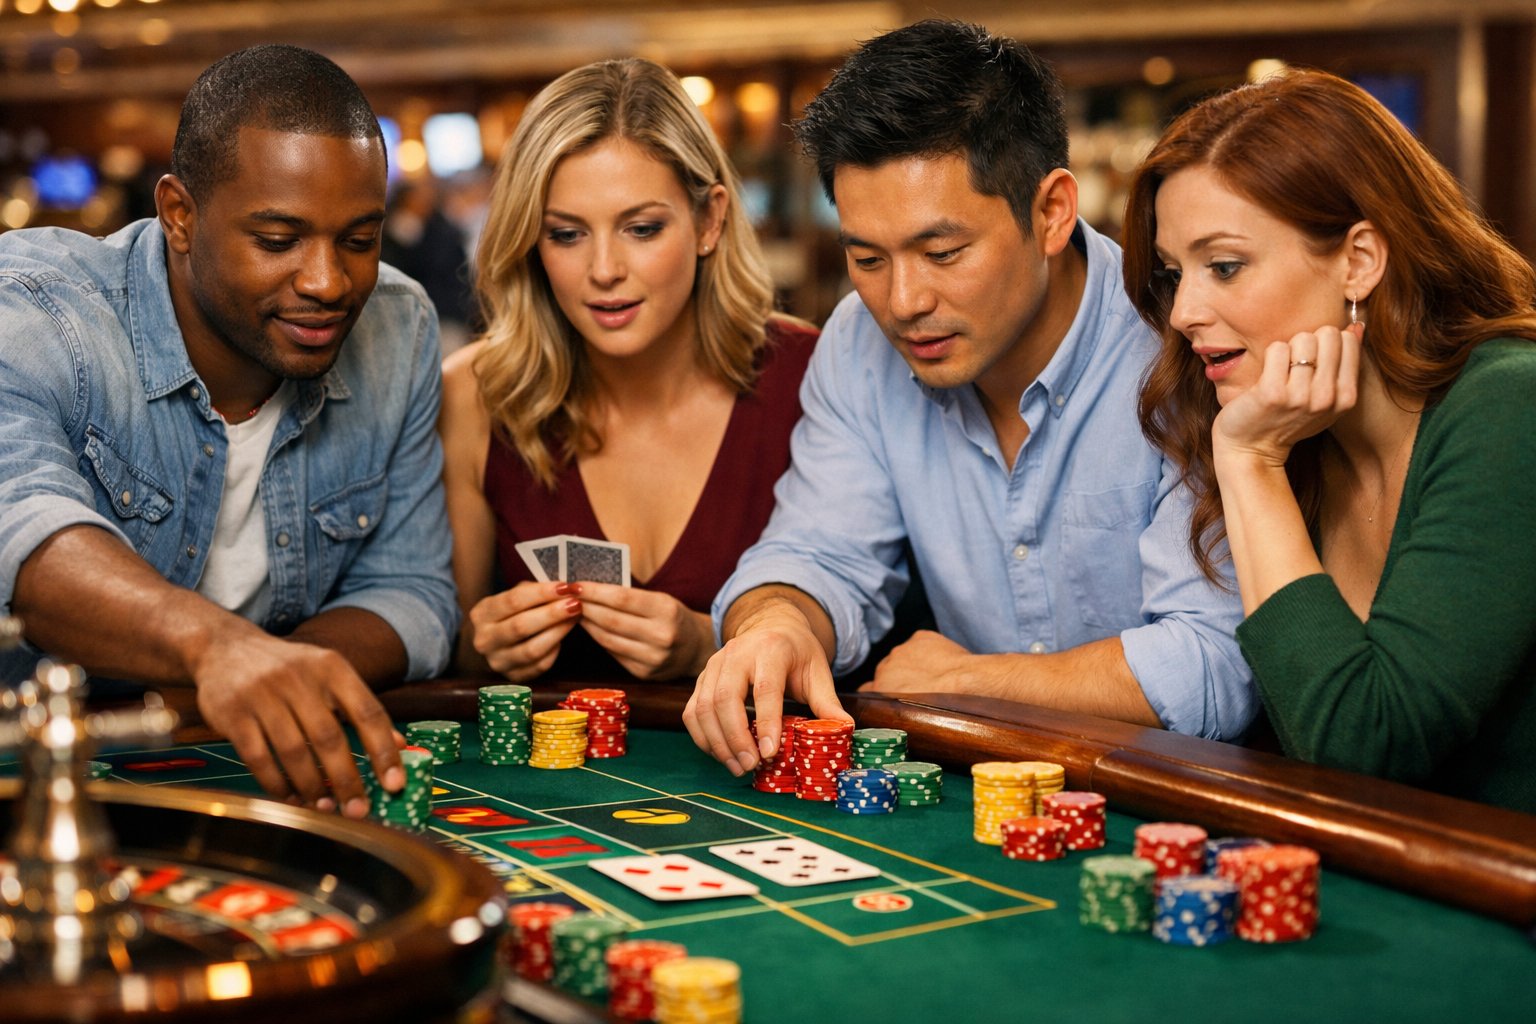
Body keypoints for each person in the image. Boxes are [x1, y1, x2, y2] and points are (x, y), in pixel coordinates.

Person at [684, 19, 1254, 776]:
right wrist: (774, 624)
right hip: (982, 788)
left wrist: (967, 682)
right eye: (867, 257)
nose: (904, 300)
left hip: (1186, 796)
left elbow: (1216, 666)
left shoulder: (1186, 341)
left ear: (1050, 212)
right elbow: (820, 552)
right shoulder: (859, 341)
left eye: (942, 252)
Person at [0, 45, 458, 816]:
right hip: (33, 777)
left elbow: (412, 591)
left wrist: (274, 680)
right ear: (179, 214)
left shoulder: (399, 325)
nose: (327, 282)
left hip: (231, 779)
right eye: (278, 241)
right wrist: (218, 650)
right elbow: (25, 539)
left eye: (359, 240)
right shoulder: (36, 309)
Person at [1123, 69, 1536, 813]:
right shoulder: (1302, 436)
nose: (1183, 311)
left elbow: (1364, 749)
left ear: (1359, 261)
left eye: (1224, 267)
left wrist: (1248, 463)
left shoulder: (1512, 402)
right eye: (1174, 273)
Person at [439, 58, 816, 685]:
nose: (605, 270)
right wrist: (487, 648)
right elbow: (446, 649)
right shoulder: (474, 394)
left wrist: (706, 643)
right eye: (566, 234)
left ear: (709, 220)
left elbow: (870, 629)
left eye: (641, 228)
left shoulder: (808, 375)